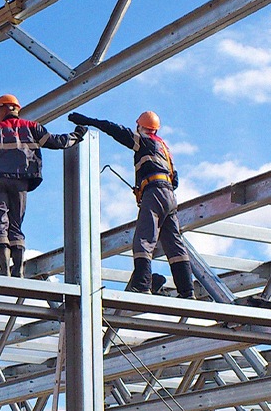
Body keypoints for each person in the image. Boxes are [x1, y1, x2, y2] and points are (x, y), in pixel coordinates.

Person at [68, 110, 195, 298]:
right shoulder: (165, 149)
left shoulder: (143, 141)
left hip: (155, 192)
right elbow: (174, 180)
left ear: (141, 126)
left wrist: (89, 121)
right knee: (174, 243)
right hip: (169, 196)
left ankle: (142, 285)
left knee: (143, 240)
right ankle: (187, 291)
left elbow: (115, 130)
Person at [0, 94, 86, 276]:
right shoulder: (32, 128)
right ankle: (18, 269)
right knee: (16, 225)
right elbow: (57, 141)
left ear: (4, 108)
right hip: (21, 183)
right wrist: (76, 136)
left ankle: (4, 270)